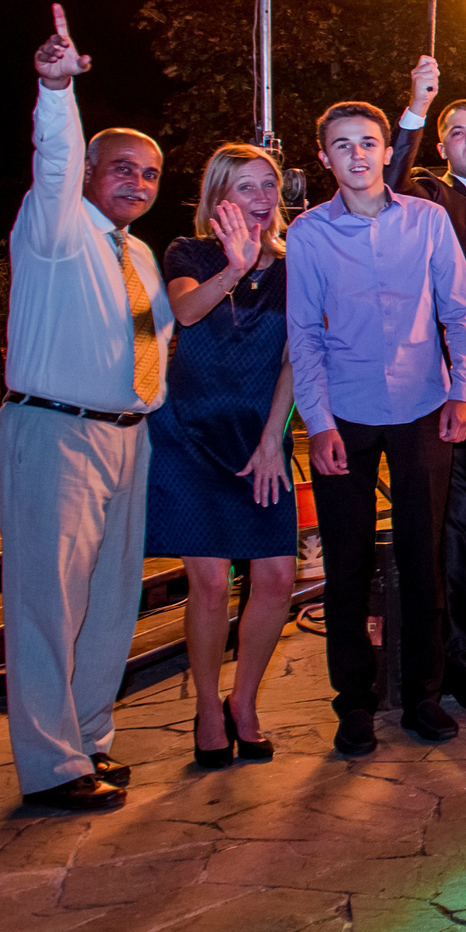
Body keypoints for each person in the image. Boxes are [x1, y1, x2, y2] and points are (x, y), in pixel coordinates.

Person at [0, 8, 171, 810]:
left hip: (128, 438)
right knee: (47, 602)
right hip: (55, 431)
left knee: (108, 600)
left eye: (150, 174)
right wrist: (57, 88)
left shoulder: (137, 254)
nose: (135, 182)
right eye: (122, 168)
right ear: (93, 173)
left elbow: (155, 346)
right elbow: (55, 158)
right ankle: (53, 762)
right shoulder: (56, 227)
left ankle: (90, 736)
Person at [286, 100, 466, 755]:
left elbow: (461, 311)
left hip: (425, 406)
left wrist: (464, 391)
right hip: (344, 411)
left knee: (424, 557)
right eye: (343, 145)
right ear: (325, 157)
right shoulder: (310, 234)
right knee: (345, 566)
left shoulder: (426, 220)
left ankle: (423, 696)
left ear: (383, 148)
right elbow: (304, 337)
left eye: (368, 142)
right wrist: (317, 423)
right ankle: (354, 703)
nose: (359, 155)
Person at [146, 144, 295, 770]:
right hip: (188, 437)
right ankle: (208, 709)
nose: (261, 197)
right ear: (219, 196)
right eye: (246, 186)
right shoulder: (190, 253)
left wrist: (272, 438)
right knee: (209, 584)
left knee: (277, 578)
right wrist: (233, 270)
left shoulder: (293, 263)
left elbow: (296, 356)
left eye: (269, 185)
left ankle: (245, 701)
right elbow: (184, 311)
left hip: (258, 439)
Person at [385, 62, 466, 711]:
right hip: (448, 384)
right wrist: (416, 107)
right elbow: (388, 184)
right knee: (455, 526)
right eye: (457, 129)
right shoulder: (430, 194)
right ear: (443, 146)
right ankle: (453, 664)